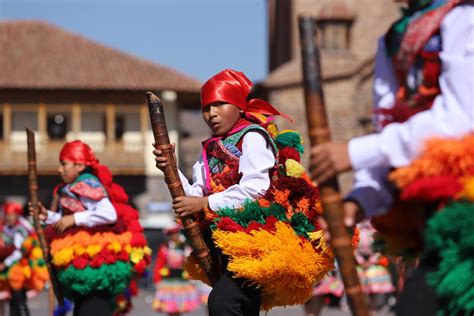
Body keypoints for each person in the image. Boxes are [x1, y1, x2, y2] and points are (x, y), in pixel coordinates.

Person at [310, 0, 473, 314]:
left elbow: (463, 117)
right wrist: (358, 202)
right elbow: (389, 130)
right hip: (433, 224)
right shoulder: (393, 40)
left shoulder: (465, 17)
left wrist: (354, 152)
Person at [154, 69, 334, 315]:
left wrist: (205, 202)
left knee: (223, 302)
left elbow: (255, 188)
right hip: (224, 239)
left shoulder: (252, 136)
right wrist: (171, 169)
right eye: (206, 108)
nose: (211, 114)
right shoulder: (209, 147)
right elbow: (195, 193)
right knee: (242, 307)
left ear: (239, 106)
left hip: (258, 236)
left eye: (220, 104)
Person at [30, 140, 151, 316]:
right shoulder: (72, 186)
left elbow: (108, 214)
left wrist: (74, 218)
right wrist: (48, 215)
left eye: (64, 164)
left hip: (94, 261)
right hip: (81, 262)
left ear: (79, 165)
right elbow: (70, 219)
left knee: (92, 307)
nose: (60, 169)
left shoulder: (86, 183)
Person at [0, 202, 49, 316]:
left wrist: (5, 263)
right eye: (7, 215)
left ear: (17, 215)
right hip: (10, 268)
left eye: (11, 215)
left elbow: (20, 251)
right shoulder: (7, 228)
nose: (8, 217)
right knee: (12, 301)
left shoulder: (20, 229)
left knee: (19, 300)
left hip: (20, 270)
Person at [152, 224, 200, 316]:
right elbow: (159, 264)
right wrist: (157, 279)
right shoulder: (165, 248)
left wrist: (192, 277)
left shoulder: (185, 248)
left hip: (182, 281)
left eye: (175, 234)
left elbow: (191, 263)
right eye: (171, 234)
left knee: (179, 306)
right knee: (170, 307)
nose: (174, 236)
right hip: (169, 281)